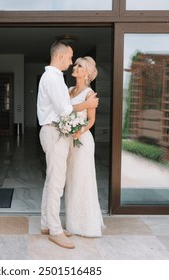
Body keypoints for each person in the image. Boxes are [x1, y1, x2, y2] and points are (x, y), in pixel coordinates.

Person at [37, 41, 99, 249]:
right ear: (61, 56)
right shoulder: (52, 78)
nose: (72, 62)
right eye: (71, 58)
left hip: (56, 132)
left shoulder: (55, 78)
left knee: (52, 181)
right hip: (54, 132)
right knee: (56, 183)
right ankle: (55, 230)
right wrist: (88, 105)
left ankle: (47, 223)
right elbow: (64, 110)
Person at [65, 56, 104, 237]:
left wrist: (79, 131)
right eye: (75, 64)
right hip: (68, 141)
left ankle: (86, 224)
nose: (75, 67)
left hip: (82, 141)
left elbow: (91, 120)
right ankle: (72, 222)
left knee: (82, 179)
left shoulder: (90, 94)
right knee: (71, 179)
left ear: (87, 72)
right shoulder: (69, 90)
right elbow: (64, 111)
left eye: (79, 66)